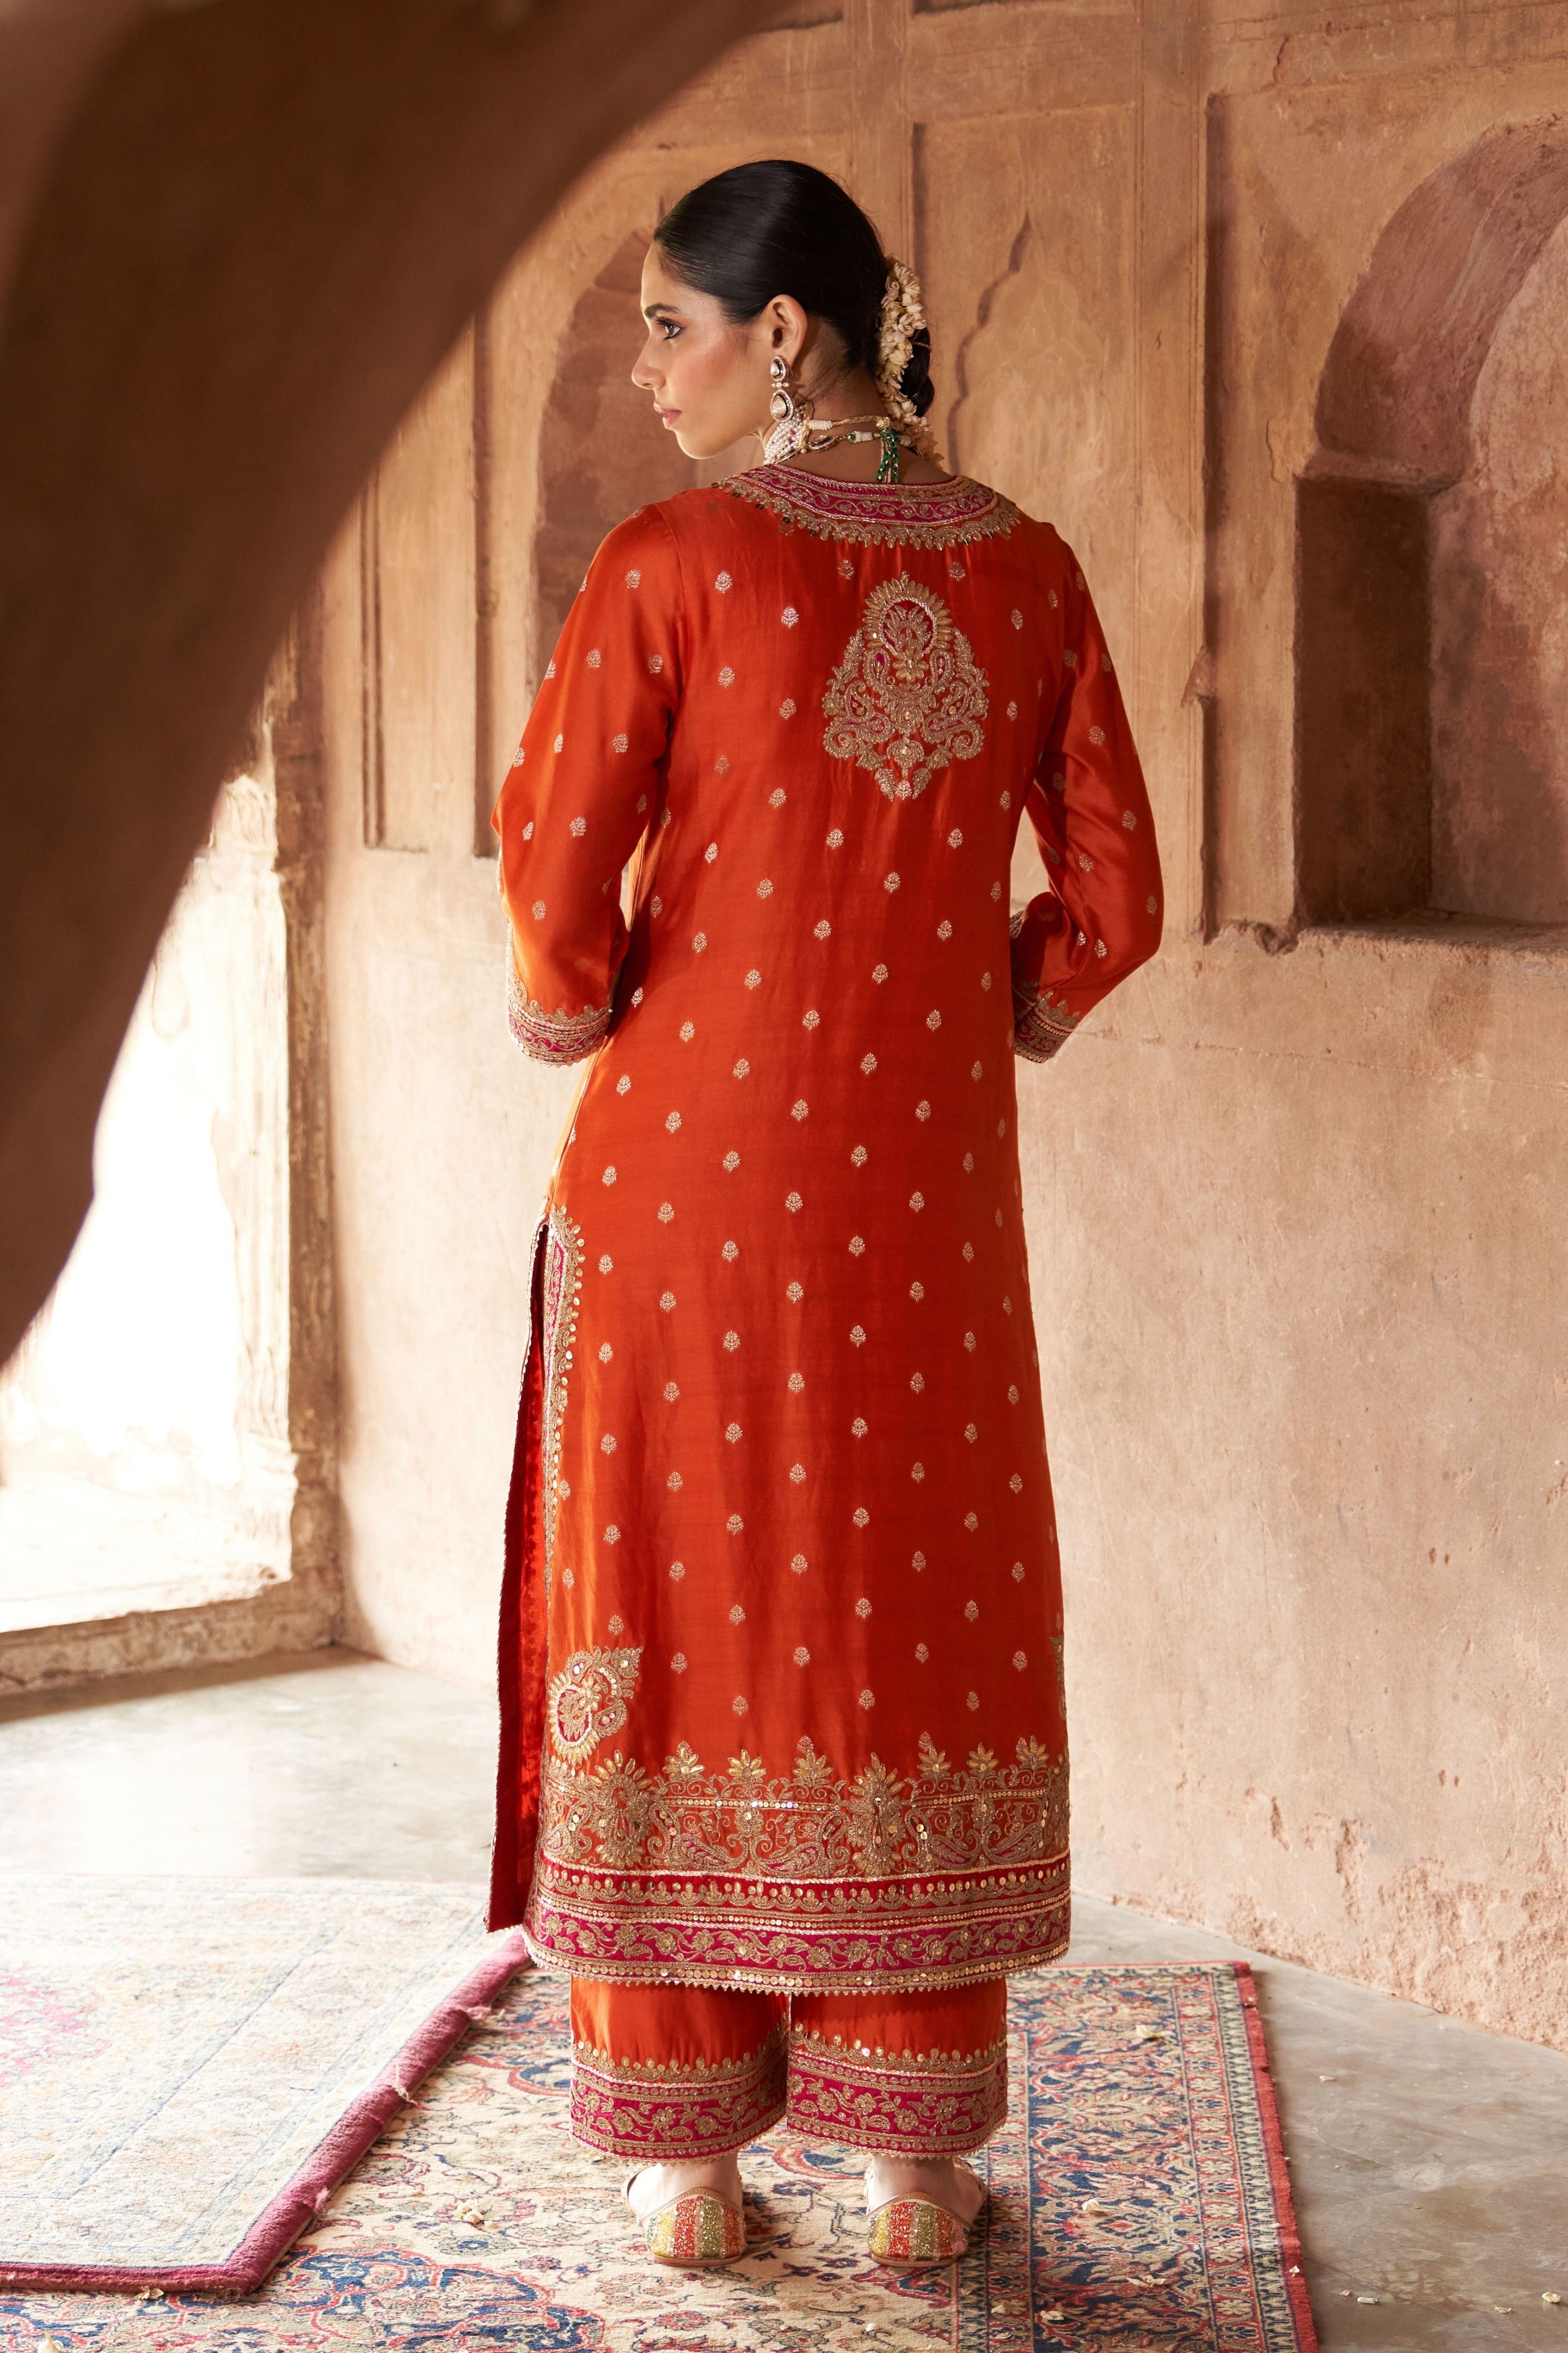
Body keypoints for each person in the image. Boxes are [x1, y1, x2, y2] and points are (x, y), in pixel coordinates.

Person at [488, 158, 1162, 2275]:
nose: (645, 367)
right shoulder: (1030, 573)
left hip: (682, 1194)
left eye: (665, 324)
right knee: (901, 1617)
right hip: (924, 1218)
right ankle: (909, 2160)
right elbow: (1117, 900)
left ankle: (687, 2160)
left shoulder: (673, 562)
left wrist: (574, 1005)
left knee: (674, 1619)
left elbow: (550, 898)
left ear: (784, 333)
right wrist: (996, 1016)